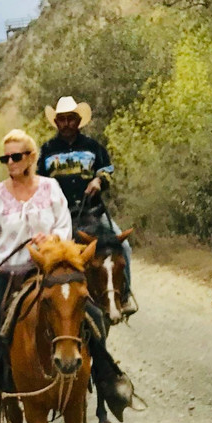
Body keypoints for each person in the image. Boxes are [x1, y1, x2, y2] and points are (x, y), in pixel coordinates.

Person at [0, 129, 136, 423]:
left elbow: (64, 227)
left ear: (31, 158)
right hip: (10, 271)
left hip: (48, 270)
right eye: (6, 158)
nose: (10, 162)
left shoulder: (51, 188)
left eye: (16, 156)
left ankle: (109, 378)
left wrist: (51, 239)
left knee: (92, 315)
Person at [36, 96, 138, 316]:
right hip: (60, 216)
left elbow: (108, 170)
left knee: (125, 247)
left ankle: (125, 295)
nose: (66, 124)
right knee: (50, 255)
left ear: (78, 120)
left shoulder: (93, 147)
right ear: (56, 122)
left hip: (92, 212)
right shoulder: (46, 150)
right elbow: (38, 182)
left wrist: (98, 180)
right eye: (61, 120)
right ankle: (44, 298)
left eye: (70, 119)